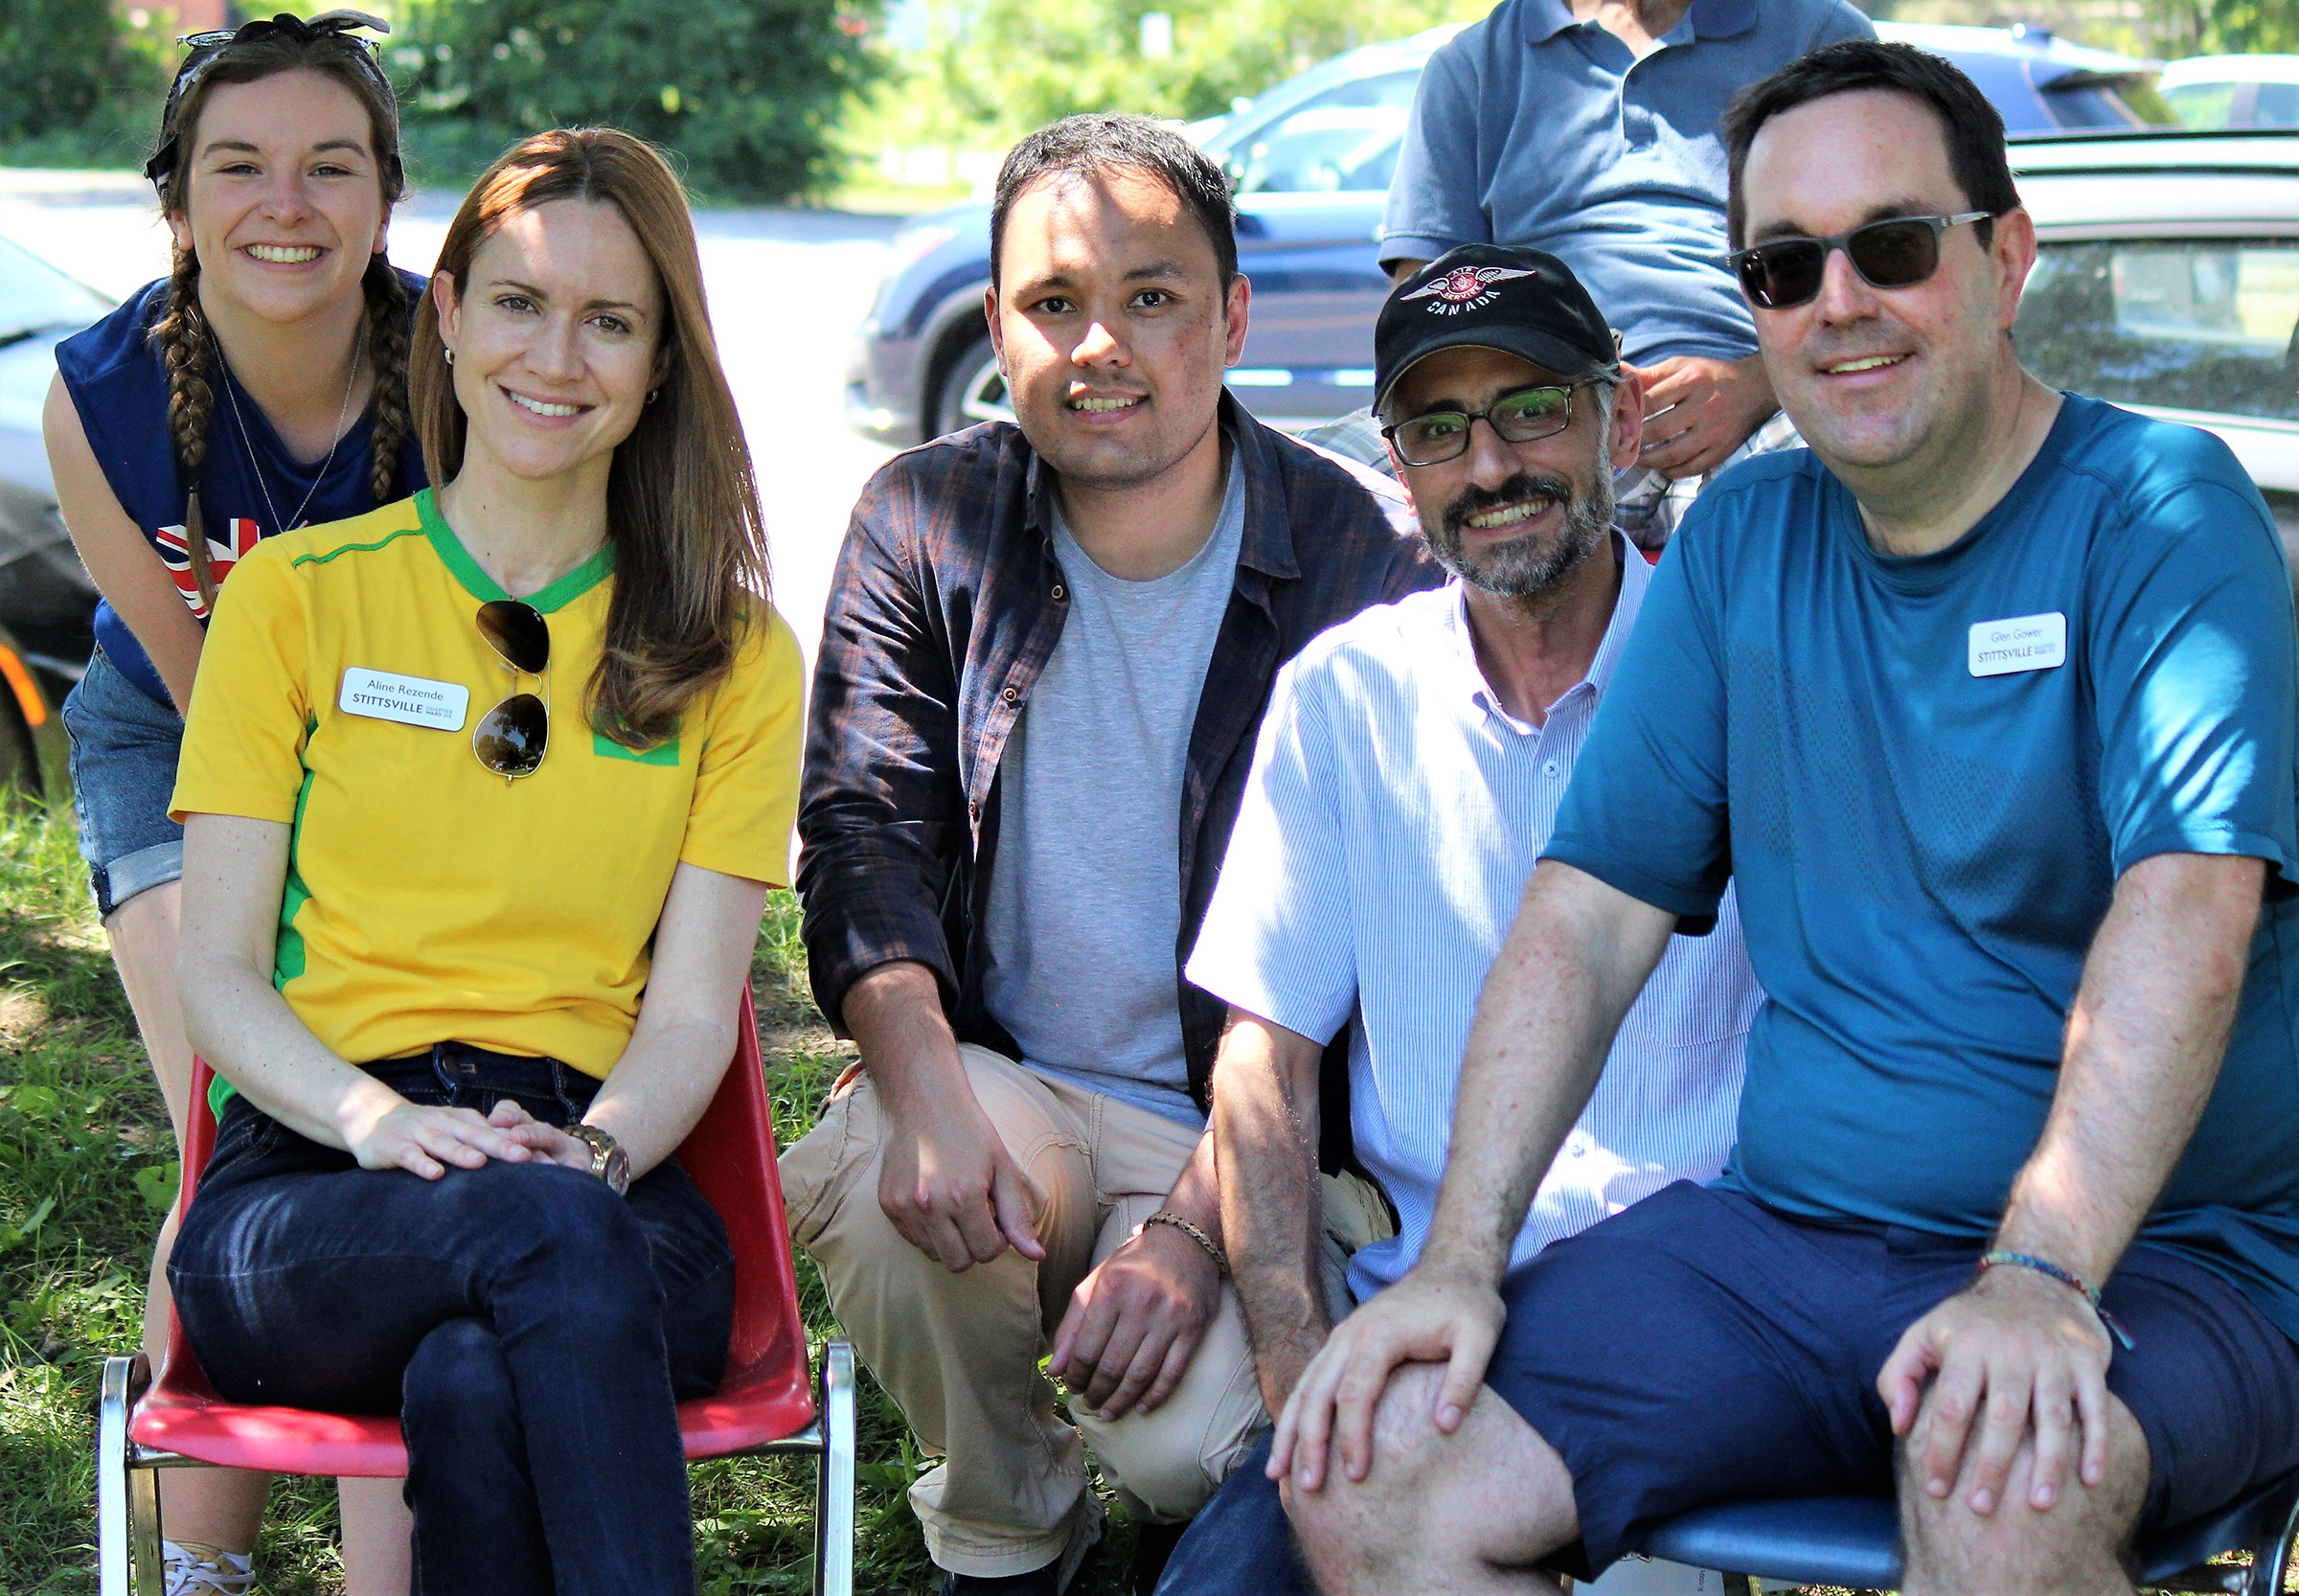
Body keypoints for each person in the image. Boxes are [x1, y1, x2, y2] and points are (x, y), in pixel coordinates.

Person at [1271, 41, 2299, 1596]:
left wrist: (2037, 1272)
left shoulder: (2158, 511)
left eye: (1892, 247)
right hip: (1795, 1243)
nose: (1839, 304)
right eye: (1782, 265)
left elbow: (2189, 909)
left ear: (2005, 259)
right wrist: (1460, 1260)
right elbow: (1586, 915)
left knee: (2003, 1481)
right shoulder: (1746, 536)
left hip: (2162, 1258)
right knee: (1381, 1471)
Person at [784, 112, 1437, 1596]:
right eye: (1053, 303)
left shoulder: (1358, 558)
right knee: (895, 1173)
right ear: (1000, 322)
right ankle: (1011, 1543)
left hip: (1250, 1116)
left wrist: (1200, 1238)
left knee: (1190, 1453)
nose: (1102, 347)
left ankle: (1145, 1485)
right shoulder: (928, 518)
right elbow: (862, 835)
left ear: (1232, 316)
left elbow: (1367, 960)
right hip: (1011, 1083)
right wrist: (928, 1085)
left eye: (1151, 296)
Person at [163, 126, 804, 1592]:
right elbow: (215, 971)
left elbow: (698, 1010)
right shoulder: (294, 602)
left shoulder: (734, 655)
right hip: (317, 1191)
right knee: (529, 1255)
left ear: (657, 369)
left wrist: (590, 1151)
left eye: (611, 320)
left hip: (608, 1169)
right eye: (518, 302)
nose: (557, 355)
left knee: (475, 1368)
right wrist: (382, 1124)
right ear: (446, 318)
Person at [1156, 245, 1761, 1596]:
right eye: (1438, 428)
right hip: (1422, 1314)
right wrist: (1301, 1380)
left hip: (1692, 1316)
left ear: (1614, 411)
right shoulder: (1344, 700)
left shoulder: (1736, 672)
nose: (1488, 467)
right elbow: (1262, 1068)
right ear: (1397, 461)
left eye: (1530, 408)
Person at [41, 12, 425, 1589]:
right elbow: (218, 701)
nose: (289, 202)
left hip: (420, 762)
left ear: (387, 198)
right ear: (178, 203)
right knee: (243, 1111)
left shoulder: (458, 355)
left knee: (390, 1133)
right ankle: (202, 1559)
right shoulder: (102, 394)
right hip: (184, 731)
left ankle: (391, 1552)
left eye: (330, 164)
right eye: (241, 166)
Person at [1357, 0, 1872, 541]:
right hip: (1533, 421)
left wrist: (1762, 383)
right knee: (1322, 492)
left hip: (1761, 409)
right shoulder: (1472, 66)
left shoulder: (1818, 35)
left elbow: (1875, 262)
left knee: (1856, 484)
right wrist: (1530, 418)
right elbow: (1426, 313)